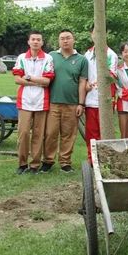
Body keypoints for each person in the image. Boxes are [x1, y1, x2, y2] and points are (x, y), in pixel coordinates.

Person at [43, 30, 87, 173]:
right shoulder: (51, 56)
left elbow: (82, 82)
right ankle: (48, 160)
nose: (65, 41)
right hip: (53, 102)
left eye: (68, 38)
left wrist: (81, 103)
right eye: (62, 38)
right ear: (59, 41)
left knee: (68, 134)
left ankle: (65, 162)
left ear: (74, 40)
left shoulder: (81, 59)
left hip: (72, 103)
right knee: (50, 133)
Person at [12, 30, 54, 174]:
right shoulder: (22, 57)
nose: (36, 42)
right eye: (33, 39)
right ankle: (22, 164)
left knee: (38, 134)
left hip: (42, 102)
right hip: (24, 101)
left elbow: (47, 81)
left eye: (38, 39)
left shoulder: (48, 58)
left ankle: (35, 165)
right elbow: (17, 79)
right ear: (29, 42)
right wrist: (37, 81)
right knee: (23, 133)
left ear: (42, 42)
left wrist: (28, 77)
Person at [83, 31, 118, 161]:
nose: (97, 36)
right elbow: (84, 73)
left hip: (105, 99)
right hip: (90, 99)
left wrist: (97, 82)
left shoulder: (111, 54)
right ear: (91, 35)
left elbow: (112, 75)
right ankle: (92, 159)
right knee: (91, 132)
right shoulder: (87, 54)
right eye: (94, 34)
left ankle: (106, 158)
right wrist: (86, 83)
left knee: (105, 131)